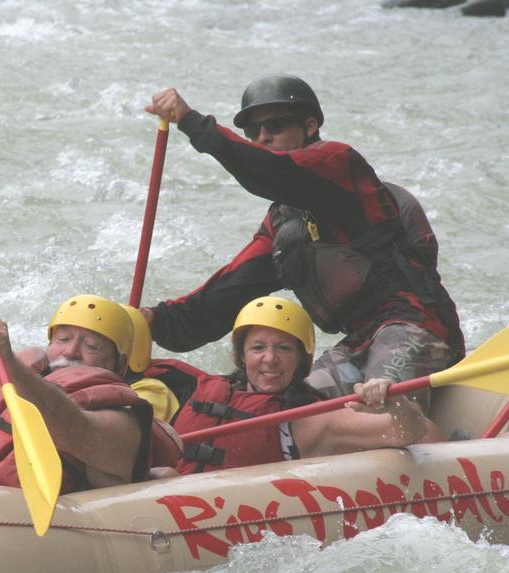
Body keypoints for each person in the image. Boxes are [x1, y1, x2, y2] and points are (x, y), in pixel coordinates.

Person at [143, 75, 464, 407]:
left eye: (276, 125)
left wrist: (191, 121)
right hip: (356, 341)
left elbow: (269, 171)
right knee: (293, 412)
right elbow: (221, 298)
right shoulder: (283, 225)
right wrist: (152, 320)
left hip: (416, 326)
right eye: (253, 132)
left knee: (379, 407)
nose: (262, 137)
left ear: (310, 126)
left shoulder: (339, 163)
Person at [0, 201, 179, 490]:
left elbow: (71, 426)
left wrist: (9, 364)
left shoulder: (123, 425)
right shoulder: (6, 378)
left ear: (120, 365)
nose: (71, 351)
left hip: (25, 528)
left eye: (92, 346)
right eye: (62, 339)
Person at [160, 296, 443, 477]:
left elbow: (419, 432)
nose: (270, 359)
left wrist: (396, 405)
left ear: (301, 360)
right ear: (241, 356)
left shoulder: (310, 422)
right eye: (258, 348)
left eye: (283, 348)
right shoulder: (197, 390)